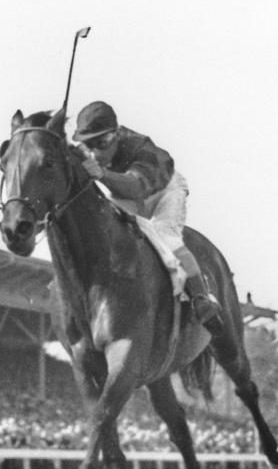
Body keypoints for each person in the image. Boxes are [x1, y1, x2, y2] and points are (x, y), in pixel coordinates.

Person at [72, 101, 220, 329]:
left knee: (165, 235)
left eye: (100, 144)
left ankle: (200, 297)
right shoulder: (95, 152)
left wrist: (101, 174)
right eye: (87, 145)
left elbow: (134, 187)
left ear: (116, 135)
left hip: (163, 190)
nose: (94, 153)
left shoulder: (142, 149)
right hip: (126, 192)